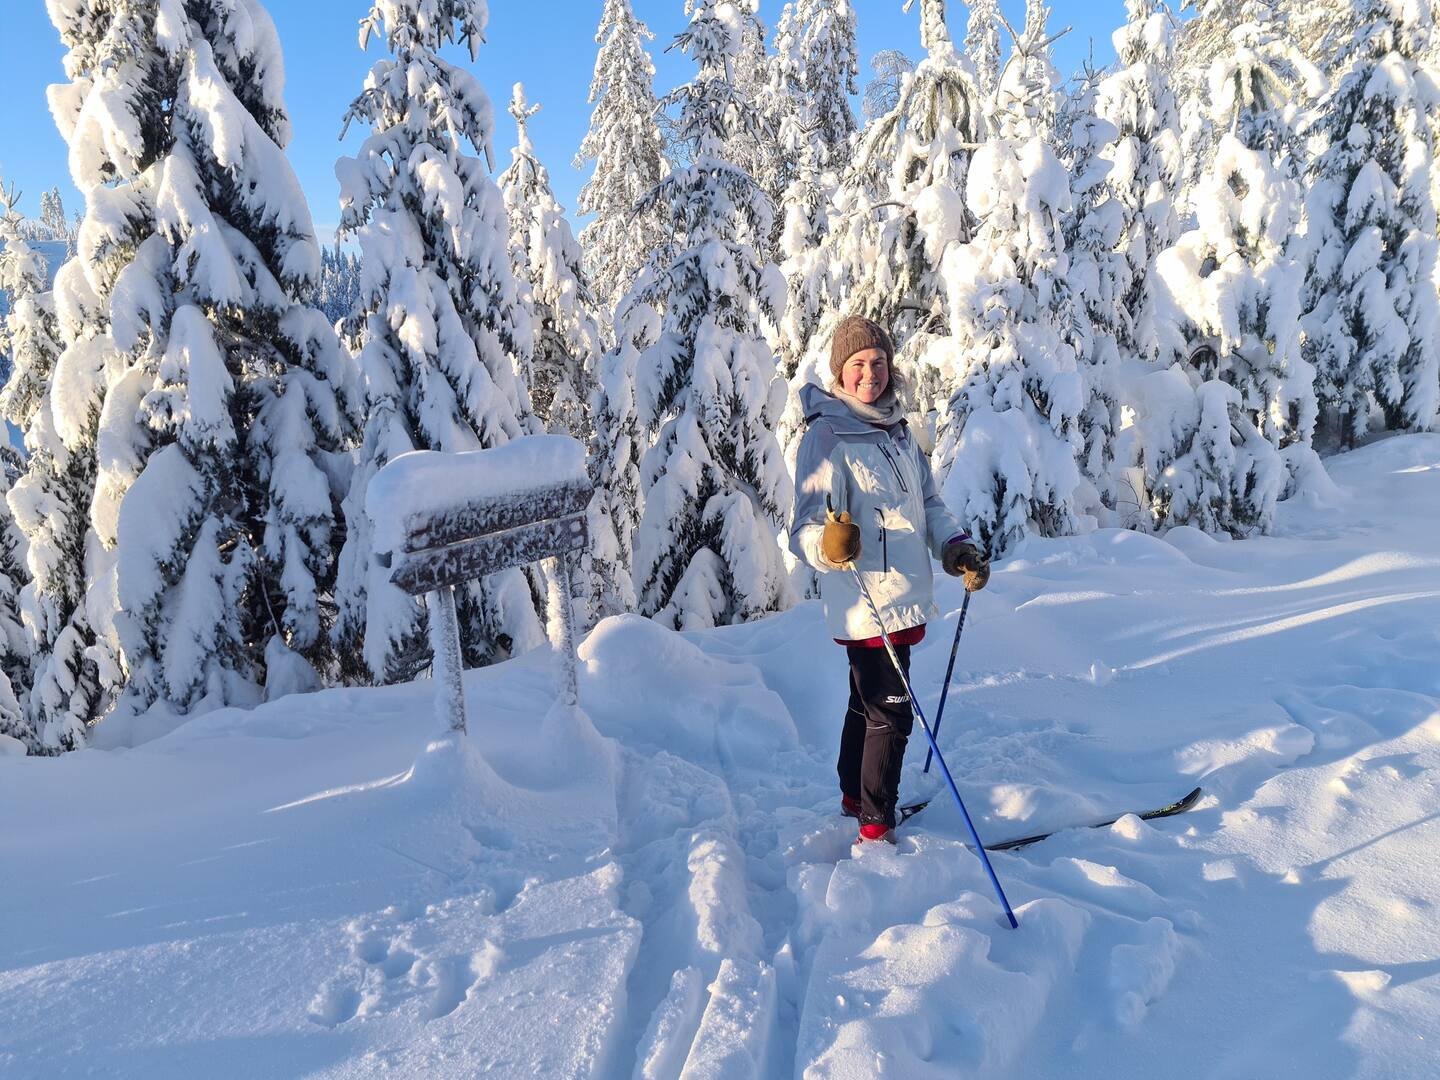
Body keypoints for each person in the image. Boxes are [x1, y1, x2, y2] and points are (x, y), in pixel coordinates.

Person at [789, 315, 990, 844]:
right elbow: (804, 527)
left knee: (867, 702)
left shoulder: (897, 431)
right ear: (839, 372)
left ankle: (855, 797)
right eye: (858, 364)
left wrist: (955, 547)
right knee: (891, 715)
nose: (870, 374)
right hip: (865, 604)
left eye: (878, 362)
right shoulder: (826, 436)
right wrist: (828, 548)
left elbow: (927, 503)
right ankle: (876, 828)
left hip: (905, 599)